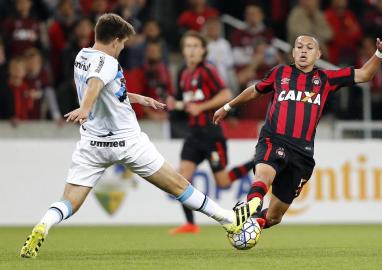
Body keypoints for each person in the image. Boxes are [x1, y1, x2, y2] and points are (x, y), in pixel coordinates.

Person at [20, 14, 259, 259]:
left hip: (92, 144)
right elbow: (95, 83)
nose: (122, 48)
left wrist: (137, 97)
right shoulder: (109, 62)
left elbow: (105, 87)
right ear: (114, 40)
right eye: (122, 43)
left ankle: (44, 224)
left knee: (70, 200)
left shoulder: (82, 56)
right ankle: (228, 219)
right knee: (178, 185)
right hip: (127, 143)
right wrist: (86, 107)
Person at [213, 35, 382, 230]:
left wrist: (379, 53)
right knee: (263, 175)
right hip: (273, 139)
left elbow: (364, 75)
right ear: (293, 52)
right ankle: (252, 203)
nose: (303, 50)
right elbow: (254, 90)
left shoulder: (326, 78)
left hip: (302, 153)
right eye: (299, 47)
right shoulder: (279, 73)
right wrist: (227, 107)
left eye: (309, 48)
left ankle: (250, 225)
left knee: (275, 216)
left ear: (318, 54)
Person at [166, 31, 256, 234]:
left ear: (203, 50)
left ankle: (255, 162)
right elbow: (187, 102)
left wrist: (202, 107)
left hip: (211, 134)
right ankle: (190, 224)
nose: (191, 50)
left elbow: (226, 94)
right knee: (180, 179)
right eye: (188, 46)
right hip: (193, 135)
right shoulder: (182, 73)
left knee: (222, 182)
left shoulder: (207, 70)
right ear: (183, 50)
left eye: (195, 46)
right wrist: (175, 104)